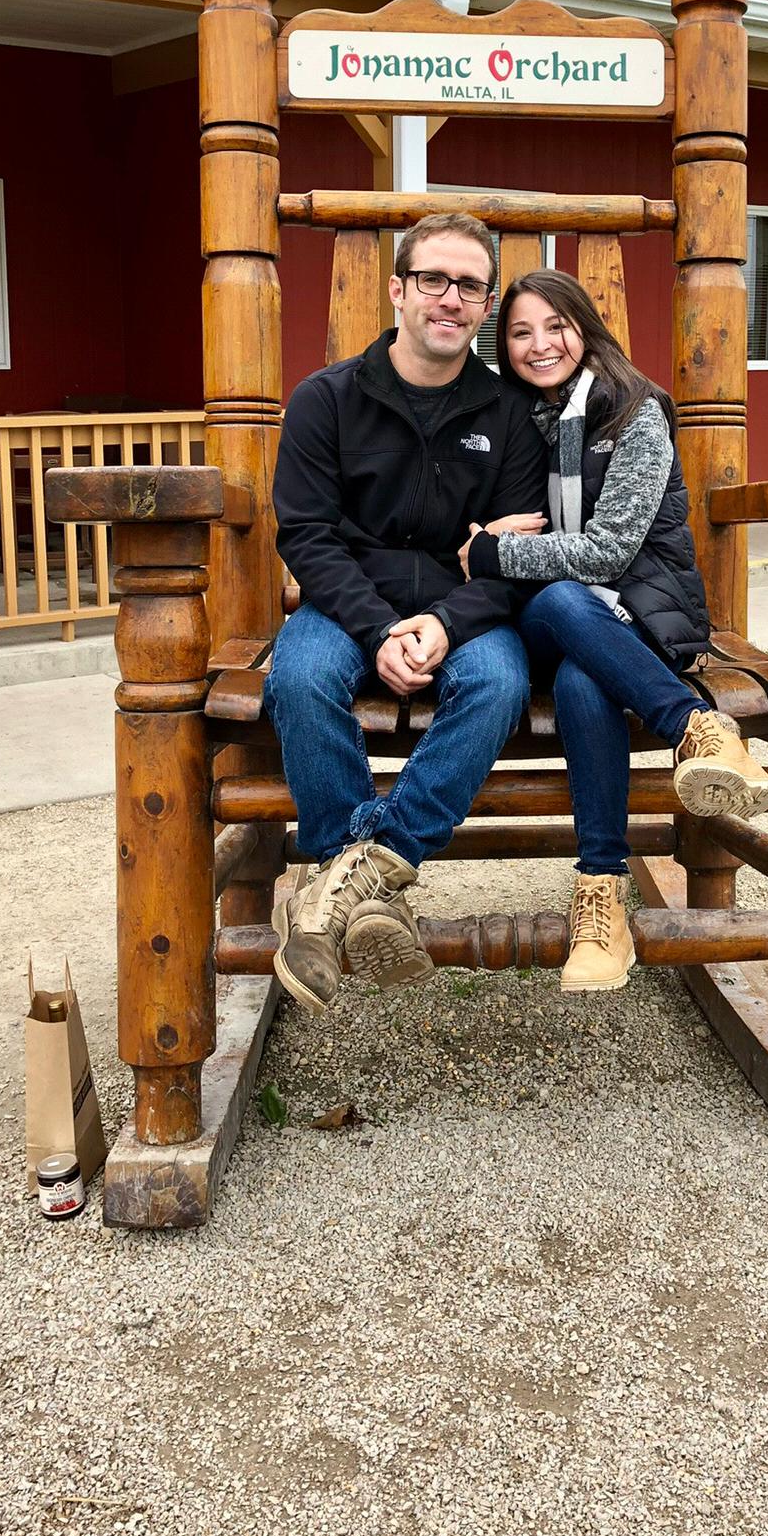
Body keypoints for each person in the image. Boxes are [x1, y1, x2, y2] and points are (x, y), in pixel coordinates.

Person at [459, 269, 768, 995]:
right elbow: (459, 521)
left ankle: (599, 891)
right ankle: (698, 728)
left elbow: (610, 551)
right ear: (501, 345)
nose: (540, 345)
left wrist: (495, 550)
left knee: (582, 669)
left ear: (586, 325)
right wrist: (481, 538)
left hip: (638, 615)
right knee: (561, 605)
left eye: (556, 325)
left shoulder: (636, 413)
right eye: (519, 332)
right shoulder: (504, 421)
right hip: (539, 617)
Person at [267, 212, 549, 1013]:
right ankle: (357, 884)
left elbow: (515, 554)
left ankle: (351, 881)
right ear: (398, 290)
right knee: (301, 676)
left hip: (462, 610)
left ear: (485, 304)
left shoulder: (508, 417)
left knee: (497, 684)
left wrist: (450, 622)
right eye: (434, 279)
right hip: (346, 601)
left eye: (469, 286)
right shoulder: (326, 400)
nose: (450, 298)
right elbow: (308, 534)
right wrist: (376, 627)